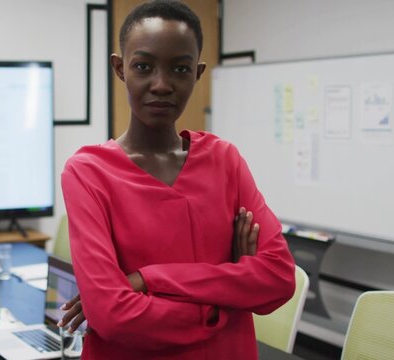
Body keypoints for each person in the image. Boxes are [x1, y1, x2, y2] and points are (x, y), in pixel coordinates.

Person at [59, 1, 296, 358]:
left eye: (180, 69)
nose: (162, 85)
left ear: (197, 73)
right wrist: (229, 298)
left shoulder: (224, 160)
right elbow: (114, 315)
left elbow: (278, 279)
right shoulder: (88, 172)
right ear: (120, 68)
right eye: (143, 66)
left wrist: (149, 279)